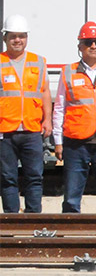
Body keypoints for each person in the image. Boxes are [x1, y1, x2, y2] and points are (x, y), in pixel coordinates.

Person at [52, 22, 96, 213]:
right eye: (88, 42)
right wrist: (58, 142)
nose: (93, 46)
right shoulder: (68, 72)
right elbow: (60, 107)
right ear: (80, 46)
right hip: (76, 144)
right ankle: (70, 239)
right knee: (71, 199)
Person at [0, 15, 52, 214]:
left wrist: (47, 119)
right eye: (13, 36)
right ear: (5, 38)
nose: (17, 40)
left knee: (34, 177)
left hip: (32, 129)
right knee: (8, 178)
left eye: (21, 36)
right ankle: (12, 219)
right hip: (5, 130)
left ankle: (34, 218)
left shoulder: (38, 62)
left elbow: (45, 91)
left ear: (27, 37)